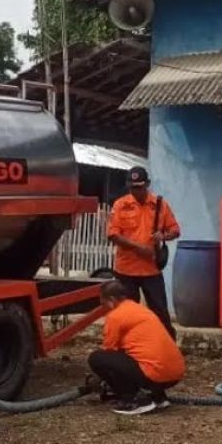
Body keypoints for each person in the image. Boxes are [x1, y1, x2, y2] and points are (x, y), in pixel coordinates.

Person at [88, 280, 185, 415]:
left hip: (154, 374)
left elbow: (109, 350)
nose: (104, 308)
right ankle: (157, 397)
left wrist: (99, 377)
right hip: (174, 374)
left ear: (111, 300)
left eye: (103, 303)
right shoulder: (140, 309)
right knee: (135, 357)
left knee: (97, 358)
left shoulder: (116, 316)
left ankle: (134, 399)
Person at [106, 166, 181, 338]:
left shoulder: (160, 205)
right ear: (128, 186)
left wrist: (163, 235)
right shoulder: (120, 205)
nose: (137, 191)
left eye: (140, 186)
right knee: (126, 315)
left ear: (147, 184)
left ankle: (168, 348)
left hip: (151, 270)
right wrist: (138, 248)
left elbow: (175, 230)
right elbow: (113, 234)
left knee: (161, 314)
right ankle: (129, 350)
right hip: (126, 270)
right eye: (133, 187)